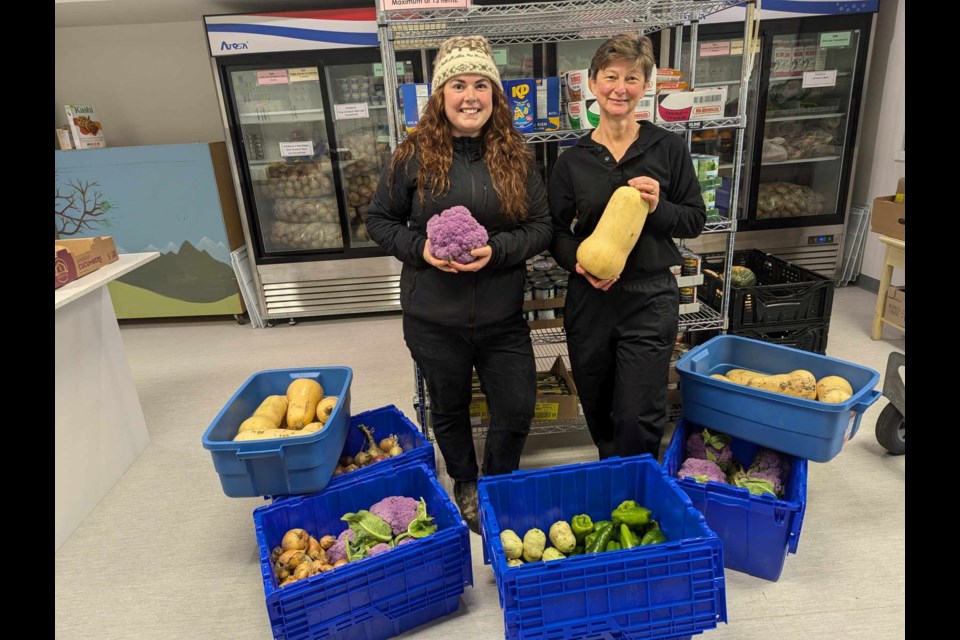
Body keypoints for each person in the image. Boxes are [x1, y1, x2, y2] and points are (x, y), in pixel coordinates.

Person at [365, 35, 552, 533]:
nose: (470, 96)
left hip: (502, 317)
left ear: (495, 93)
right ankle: (466, 481)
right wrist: (421, 251)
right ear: (440, 96)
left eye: (480, 85)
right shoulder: (413, 155)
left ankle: (497, 481)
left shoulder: (516, 156)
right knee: (449, 407)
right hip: (433, 318)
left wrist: (497, 252)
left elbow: (541, 227)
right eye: (458, 85)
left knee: (515, 406)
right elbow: (379, 220)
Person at [548, 33, 706, 461]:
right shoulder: (572, 160)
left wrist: (659, 207)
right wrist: (577, 265)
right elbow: (555, 231)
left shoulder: (667, 148)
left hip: (649, 298)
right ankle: (612, 478)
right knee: (598, 406)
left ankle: (638, 491)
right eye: (611, 76)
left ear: (645, 85)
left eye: (632, 78)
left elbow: (694, 219)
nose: (621, 87)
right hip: (590, 301)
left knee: (638, 413)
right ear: (594, 83)